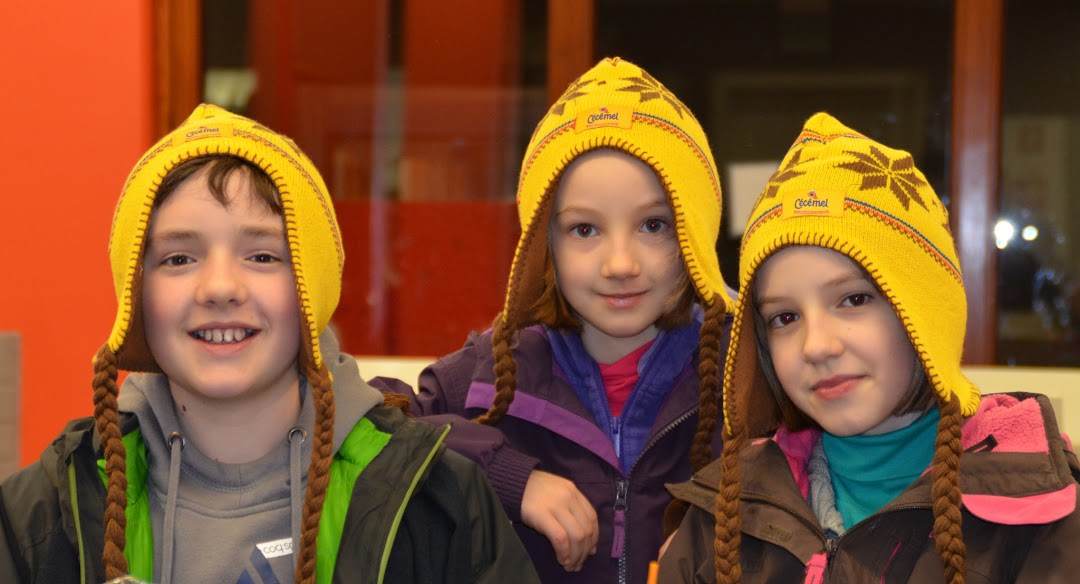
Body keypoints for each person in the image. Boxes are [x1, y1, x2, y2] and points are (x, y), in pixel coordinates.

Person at [0, 104, 538, 584]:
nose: (219, 288)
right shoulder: (46, 515)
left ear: (311, 287)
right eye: (178, 259)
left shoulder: (436, 503)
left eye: (261, 256)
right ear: (138, 300)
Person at [659, 112, 1080, 583]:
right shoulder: (719, 516)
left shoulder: (1042, 514)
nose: (816, 346)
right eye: (785, 317)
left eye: (853, 300)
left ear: (924, 310)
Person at [381, 57, 736, 584]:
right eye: (584, 230)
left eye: (653, 224)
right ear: (541, 246)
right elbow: (368, 420)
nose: (621, 264)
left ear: (694, 233)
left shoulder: (746, 375)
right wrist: (505, 474)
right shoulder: (488, 377)